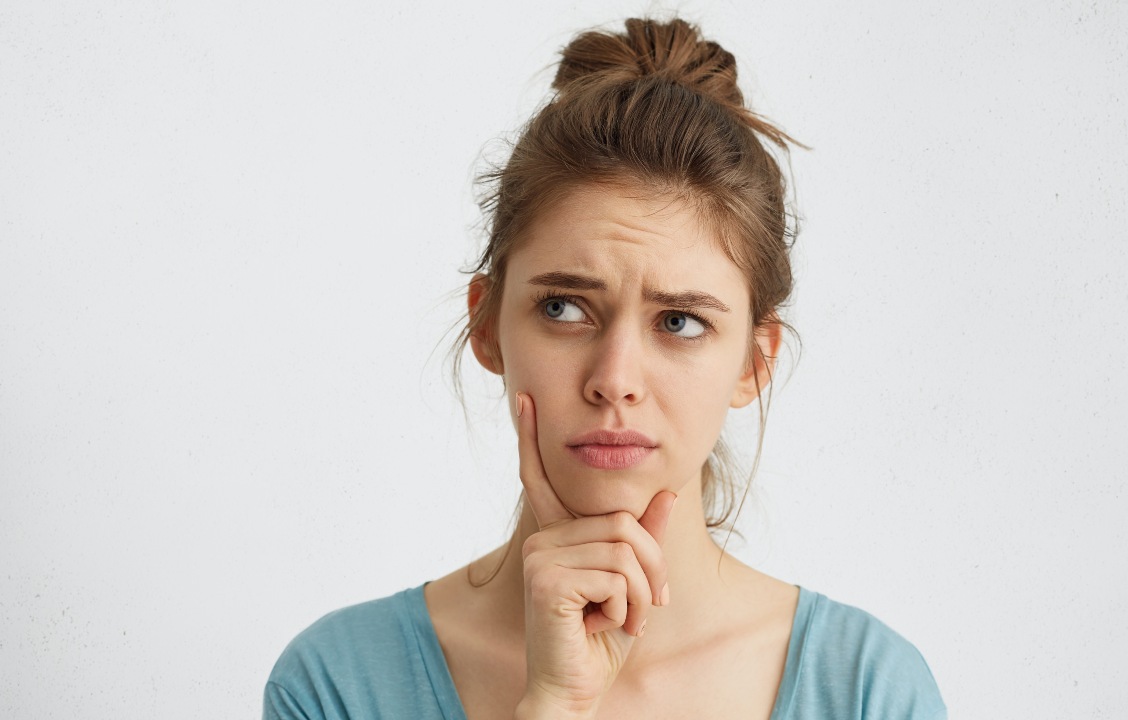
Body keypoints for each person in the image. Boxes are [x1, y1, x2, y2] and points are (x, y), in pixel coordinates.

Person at [263, 17, 946, 720]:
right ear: (487, 325)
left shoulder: (869, 691)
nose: (615, 379)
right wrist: (553, 705)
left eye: (679, 322)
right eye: (564, 309)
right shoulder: (336, 685)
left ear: (754, 360)